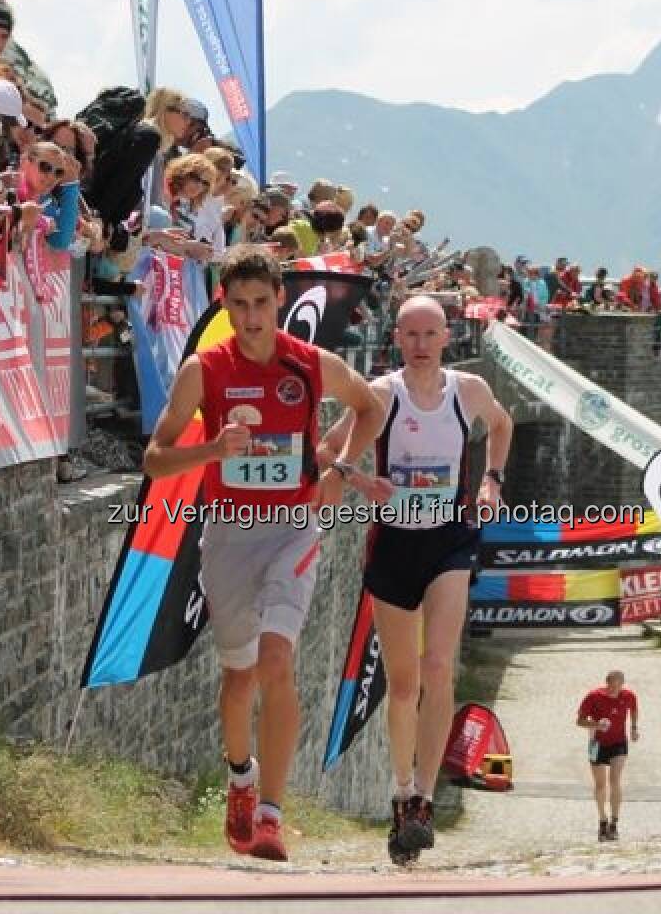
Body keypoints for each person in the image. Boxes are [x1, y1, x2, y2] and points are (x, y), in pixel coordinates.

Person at [142, 244, 386, 862]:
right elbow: (154, 457)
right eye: (239, 305)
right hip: (228, 531)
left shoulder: (312, 363)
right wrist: (212, 452)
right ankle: (241, 780)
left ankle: (273, 815)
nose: (252, 318)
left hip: (294, 528)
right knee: (238, 675)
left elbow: (369, 407)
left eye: (261, 304)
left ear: (279, 300)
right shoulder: (205, 368)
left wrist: (340, 470)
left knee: (278, 660)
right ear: (224, 304)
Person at [318, 295, 512, 865]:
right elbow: (331, 452)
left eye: (432, 334)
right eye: (412, 335)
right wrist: (358, 479)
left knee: (438, 669)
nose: (422, 345)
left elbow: (500, 426)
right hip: (394, 544)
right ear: (396, 339)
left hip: (449, 539)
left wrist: (492, 481)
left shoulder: (468, 390)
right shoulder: (380, 396)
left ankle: (427, 796)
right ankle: (401, 792)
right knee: (403, 685)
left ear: (448, 337)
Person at [576, 670, 639, 842]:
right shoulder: (593, 696)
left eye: (619, 686)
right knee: (600, 784)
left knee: (615, 780)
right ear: (607, 683)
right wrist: (596, 724)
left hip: (619, 743)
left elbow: (633, 710)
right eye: (612, 686)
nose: (615, 690)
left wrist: (633, 728)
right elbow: (579, 721)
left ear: (623, 684)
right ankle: (602, 819)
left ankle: (614, 823)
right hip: (596, 744)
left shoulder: (629, 696)